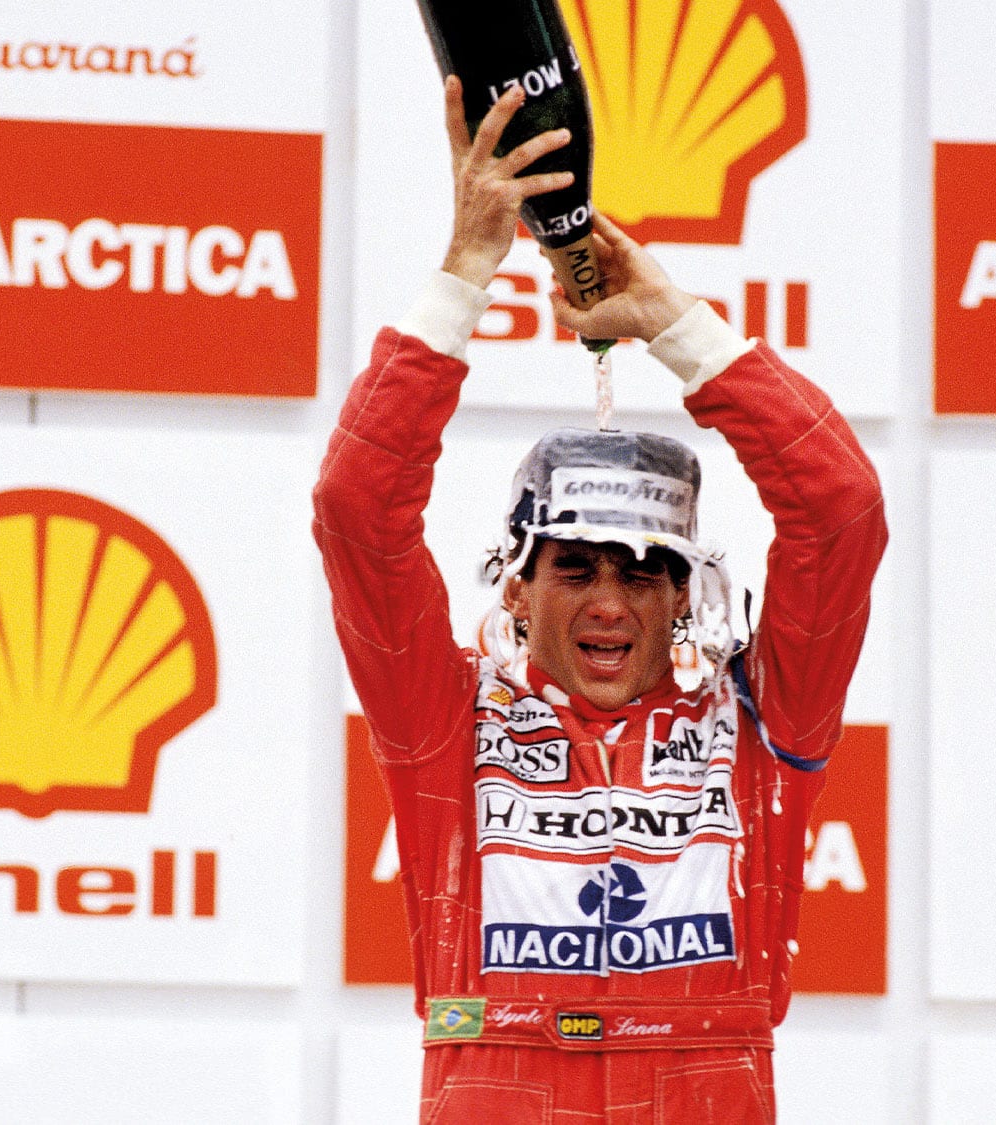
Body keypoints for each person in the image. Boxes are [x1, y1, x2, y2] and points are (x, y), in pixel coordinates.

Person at [313, 76, 886, 1124]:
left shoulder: (762, 722)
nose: (610, 600)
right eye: (574, 566)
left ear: (685, 598)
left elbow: (839, 508)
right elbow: (356, 509)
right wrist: (466, 269)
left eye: (643, 570)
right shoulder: (444, 724)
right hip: (491, 1076)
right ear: (517, 593)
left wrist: (673, 322)